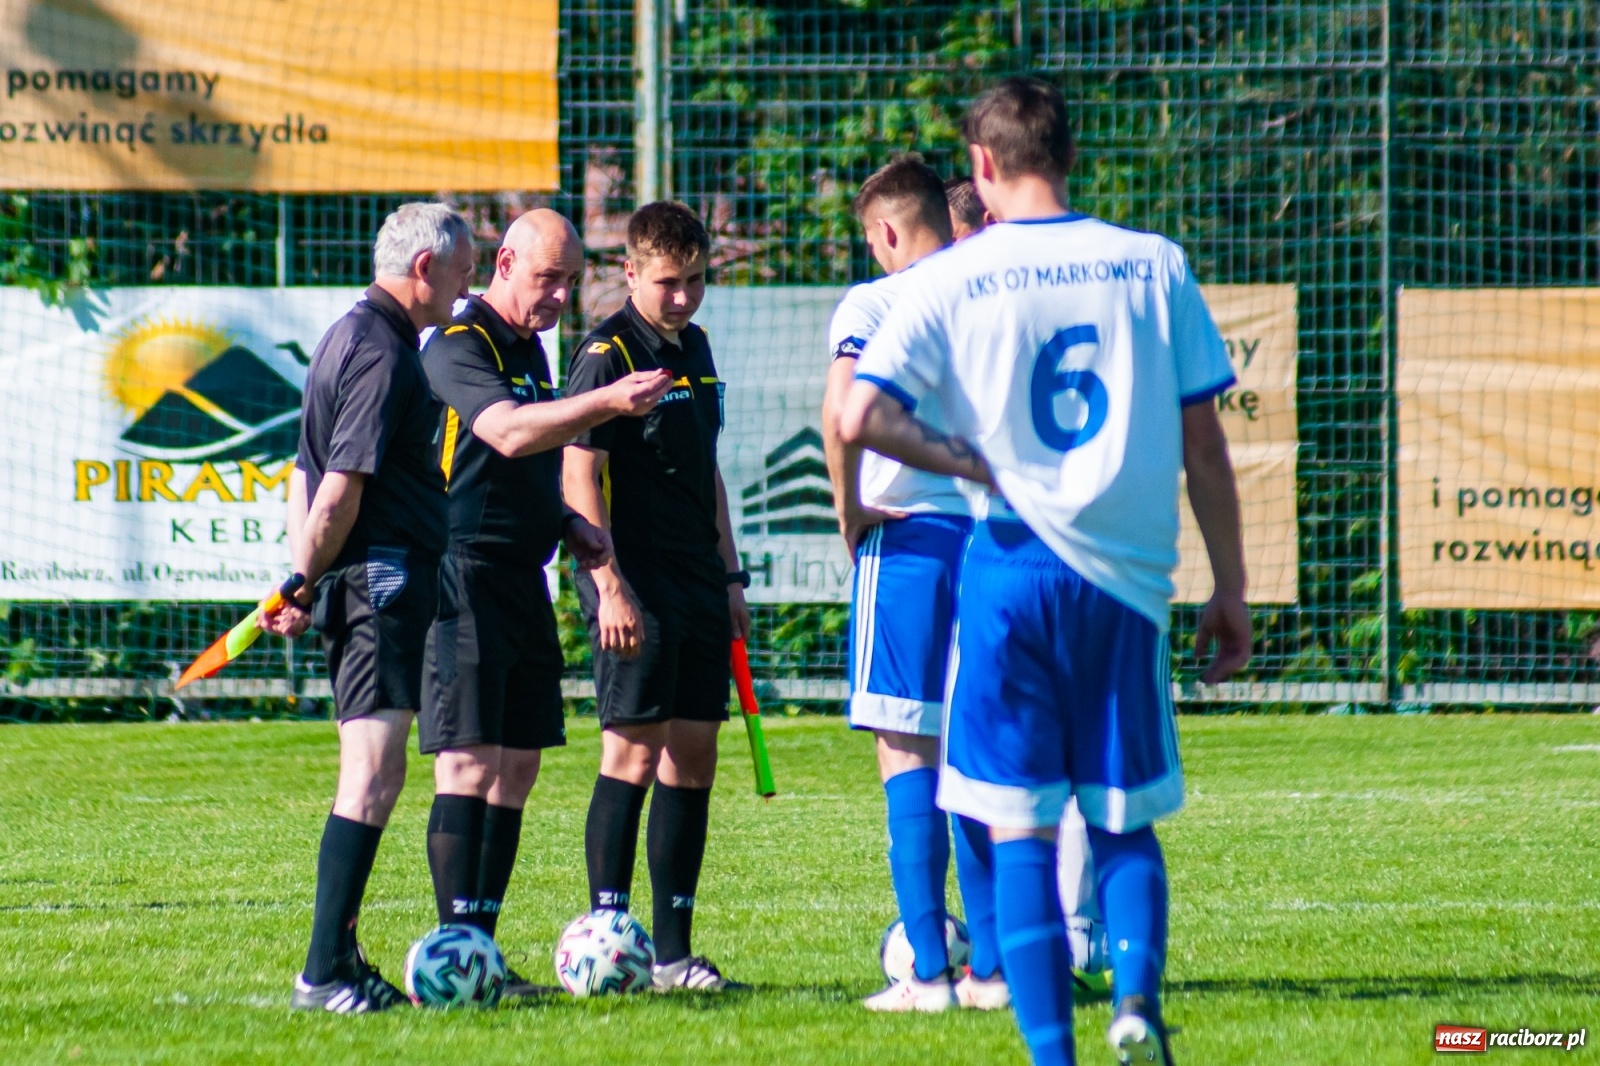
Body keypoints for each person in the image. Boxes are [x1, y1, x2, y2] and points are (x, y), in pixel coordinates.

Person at [840, 77, 1253, 1065]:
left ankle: (1049, 1052)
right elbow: (1204, 443)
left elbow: (858, 414)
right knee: (1121, 816)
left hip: (1009, 569)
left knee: (1018, 824)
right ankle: (1136, 1003)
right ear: (1068, 154)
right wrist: (1230, 587)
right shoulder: (1152, 263)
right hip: (1123, 581)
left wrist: (963, 458)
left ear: (979, 168)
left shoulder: (953, 276)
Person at [417, 209, 673, 995]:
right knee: (468, 762)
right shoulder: (458, 343)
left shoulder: (530, 348)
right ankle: (458, 957)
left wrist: (567, 523)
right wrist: (606, 404)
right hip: (460, 576)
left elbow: (523, 468)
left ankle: (483, 951)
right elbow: (509, 434)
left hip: (522, 577)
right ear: (503, 264)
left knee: (518, 766)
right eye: (547, 279)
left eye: (570, 281)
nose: (561, 296)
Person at [265, 202, 475, 1013]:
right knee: (373, 772)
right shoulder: (384, 352)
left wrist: (305, 577)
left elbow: (302, 473)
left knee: (375, 772)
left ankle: (341, 960)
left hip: (358, 579)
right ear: (424, 268)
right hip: (379, 583)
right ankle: (323, 972)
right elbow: (339, 487)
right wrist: (304, 577)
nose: (464, 290)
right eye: (461, 274)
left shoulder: (344, 334)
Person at [820, 155, 999, 1013]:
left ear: (886, 230)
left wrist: (849, 509)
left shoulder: (875, 301)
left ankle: (927, 972)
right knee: (981, 757)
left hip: (911, 540)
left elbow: (842, 414)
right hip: (995, 542)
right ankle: (995, 972)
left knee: (907, 754)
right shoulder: (996, 291)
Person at [562, 201, 751, 992]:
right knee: (634, 751)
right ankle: (606, 937)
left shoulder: (696, 346)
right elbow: (578, 475)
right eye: (668, 282)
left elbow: (708, 469)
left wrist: (731, 576)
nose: (683, 297)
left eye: (696, 281)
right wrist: (607, 584)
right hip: (633, 579)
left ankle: (673, 955)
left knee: (695, 754)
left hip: (698, 578)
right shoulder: (605, 353)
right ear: (631, 271)